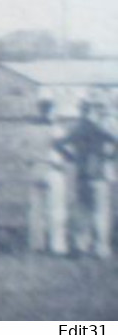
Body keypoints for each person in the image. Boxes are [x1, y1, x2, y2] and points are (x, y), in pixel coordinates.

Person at [55, 101, 118, 259]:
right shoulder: (98, 129)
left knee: (83, 211)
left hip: (82, 175)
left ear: (81, 112)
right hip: (98, 173)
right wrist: (108, 157)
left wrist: (70, 157)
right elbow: (116, 141)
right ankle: (102, 248)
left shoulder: (78, 130)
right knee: (101, 212)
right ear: (91, 112)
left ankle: (82, 245)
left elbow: (57, 143)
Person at [25, 111, 69, 255]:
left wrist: (29, 160)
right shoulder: (56, 130)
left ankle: (36, 244)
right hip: (52, 169)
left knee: (36, 209)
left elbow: (19, 149)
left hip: (36, 168)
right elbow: (63, 149)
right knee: (56, 209)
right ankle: (57, 245)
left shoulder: (29, 130)